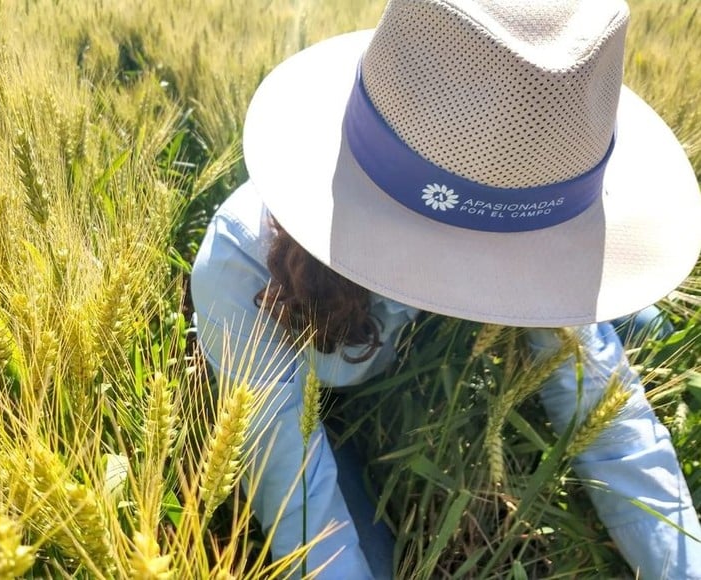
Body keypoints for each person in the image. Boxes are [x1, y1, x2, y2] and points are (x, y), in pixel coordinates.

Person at [190, 0, 701, 578]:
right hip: (299, 401)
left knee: (637, 323)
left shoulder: (530, 196)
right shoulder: (243, 267)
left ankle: (641, 317)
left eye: (516, 252)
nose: (490, 274)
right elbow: (299, 500)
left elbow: (612, 429)